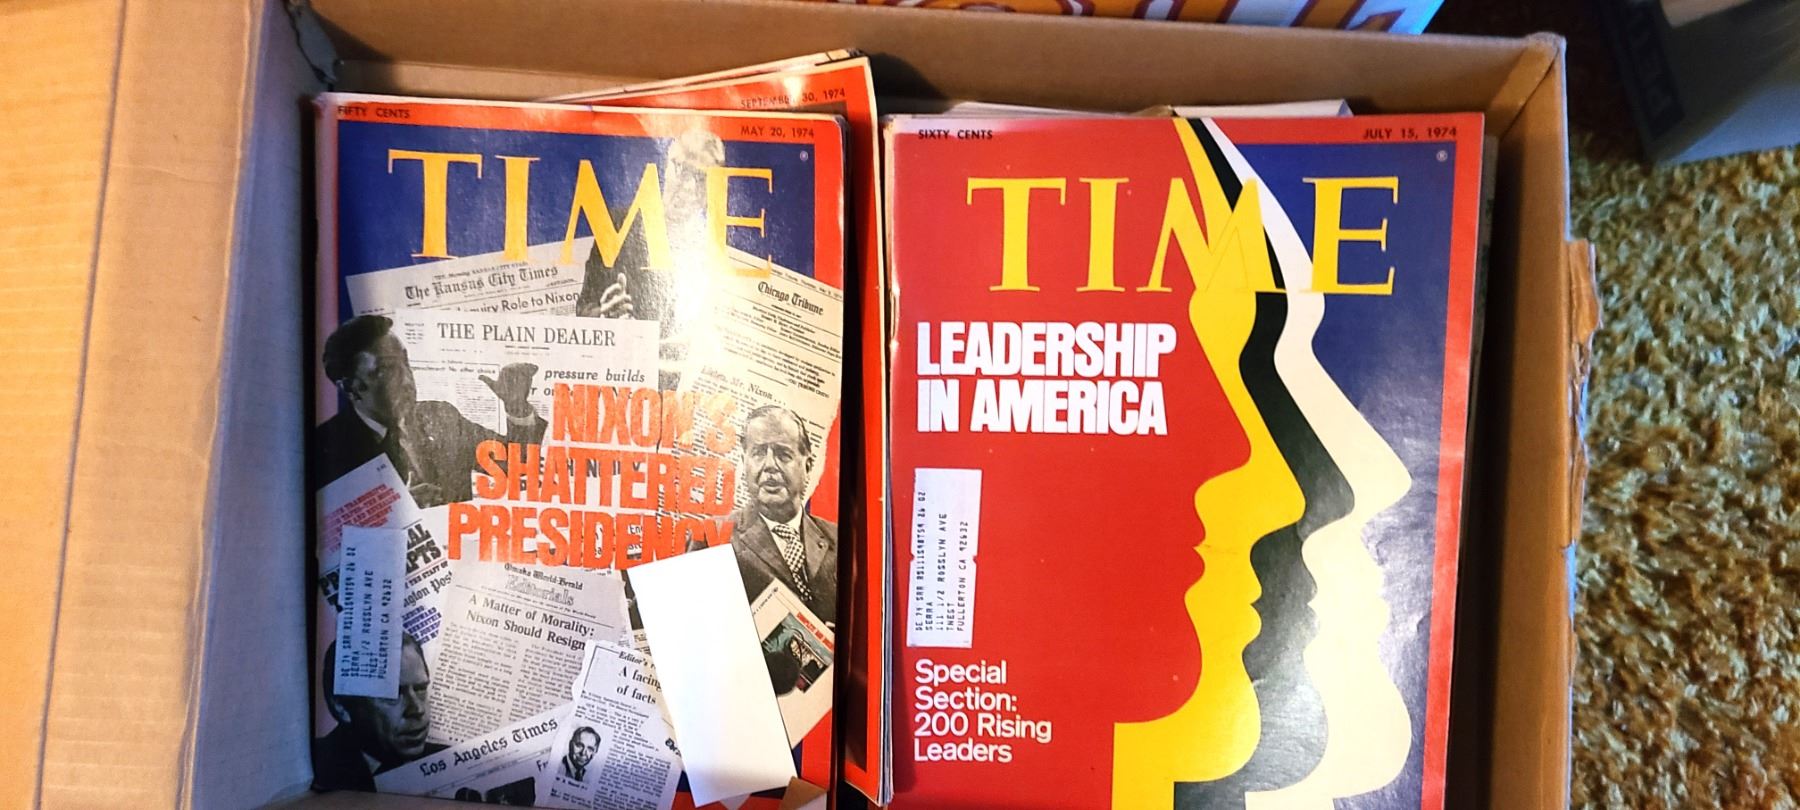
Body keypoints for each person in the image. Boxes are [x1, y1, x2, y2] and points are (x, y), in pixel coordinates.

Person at [312, 315, 546, 506]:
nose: (407, 380)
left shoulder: (441, 416)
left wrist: (516, 406)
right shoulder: (326, 449)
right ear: (351, 388)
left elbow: (517, 466)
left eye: (406, 362)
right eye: (387, 369)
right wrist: (396, 511)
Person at [727, 405, 838, 626]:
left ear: (807, 466)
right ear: (744, 463)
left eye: (783, 454)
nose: (770, 465)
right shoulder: (715, 537)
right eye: (758, 453)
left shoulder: (838, 538)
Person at [312, 634, 442, 791]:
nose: (418, 710)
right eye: (392, 696)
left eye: (420, 689)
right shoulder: (313, 766)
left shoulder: (448, 760)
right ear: (341, 706)